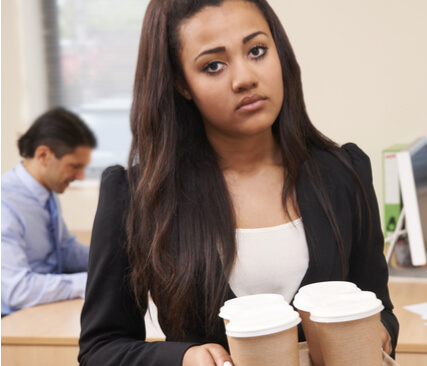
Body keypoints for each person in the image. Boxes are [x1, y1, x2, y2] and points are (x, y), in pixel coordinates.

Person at [78, 1, 398, 365]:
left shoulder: (345, 174)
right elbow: (100, 350)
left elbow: (379, 306)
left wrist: (379, 334)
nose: (244, 77)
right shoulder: (137, 196)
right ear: (183, 83)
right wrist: (183, 360)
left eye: (257, 50)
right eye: (213, 65)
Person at [1, 107, 97, 316]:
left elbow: (65, 250)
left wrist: (117, 262)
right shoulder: (5, 205)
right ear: (43, 155)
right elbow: (17, 291)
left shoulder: (47, 192)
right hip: (12, 320)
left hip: (44, 310)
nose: (80, 176)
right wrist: (89, 281)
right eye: (75, 166)